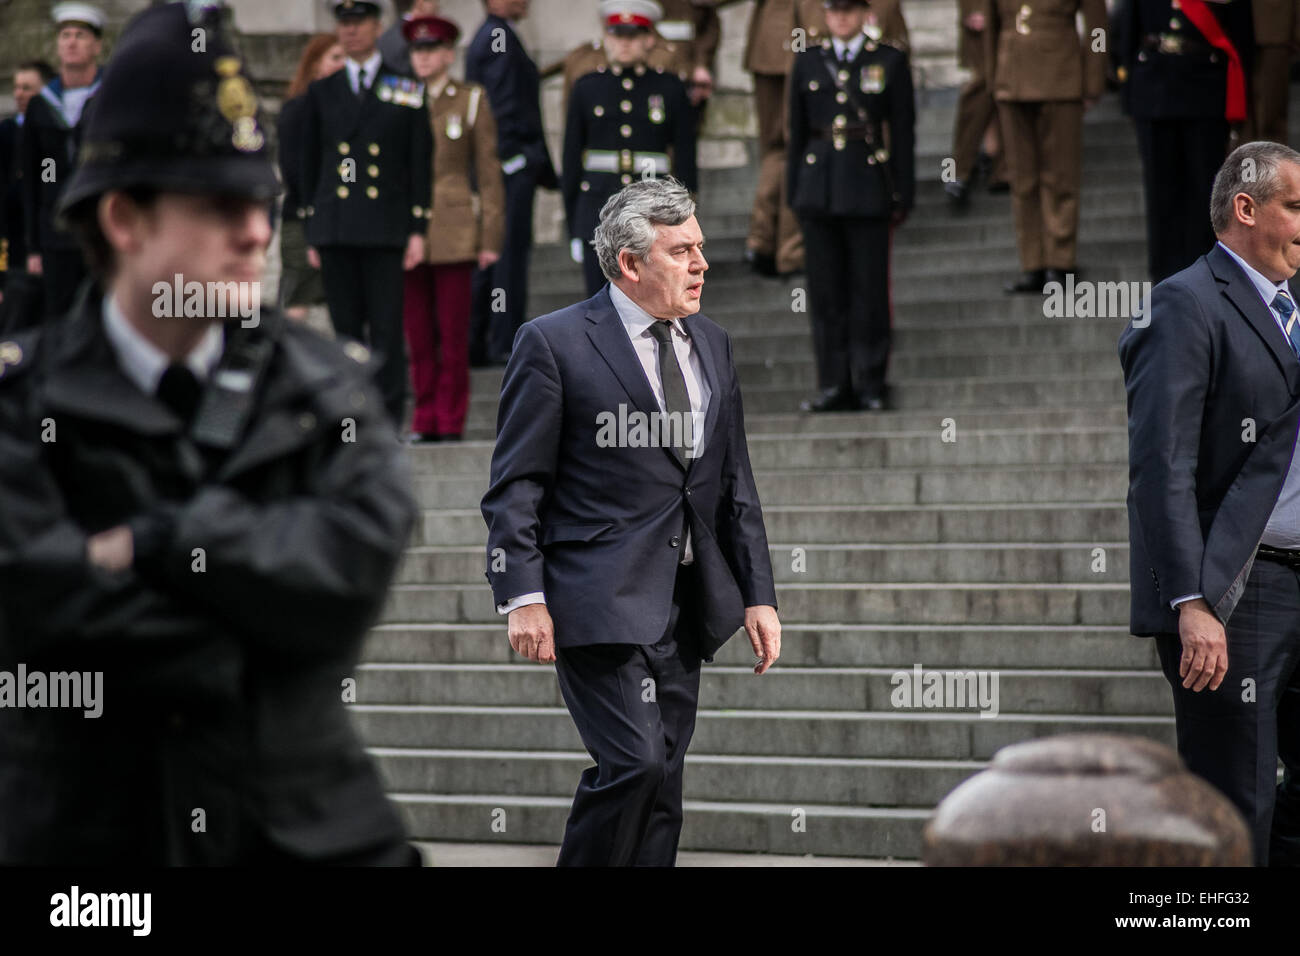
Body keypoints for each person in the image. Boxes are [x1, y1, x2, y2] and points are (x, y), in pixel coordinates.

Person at [0, 0, 420, 866]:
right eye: (222, 203)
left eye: (264, 200)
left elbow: (352, 569)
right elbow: (36, 609)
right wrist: (262, 617)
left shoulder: (321, 383)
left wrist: (156, 539)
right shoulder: (19, 400)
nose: (258, 231)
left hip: (309, 834)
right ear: (125, 219)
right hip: (85, 845)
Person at [481, 177, 780, 867]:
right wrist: (522, 596)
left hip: (685, 602)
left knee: (664, 783)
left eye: (700, 248)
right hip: (595, 600)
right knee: (636, 764)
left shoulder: (714, 344)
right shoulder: (552, 343)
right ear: (630, 264)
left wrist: (758, 593)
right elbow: (516, 487)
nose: (702, 264)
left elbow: (734, 484)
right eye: (682, 251)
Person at [1119, 141, 1300, 868]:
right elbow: (1161, 467)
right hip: (1236, 593)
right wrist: (1192, 602)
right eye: (1296, 206)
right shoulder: (1184, 303)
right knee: (1236, 799)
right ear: (1246, 208)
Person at [301, 0, 433, 428]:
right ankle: (348, 416)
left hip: (385, 227)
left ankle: (388, 419)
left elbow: (418, 162)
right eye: (344, 22)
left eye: (359, 22)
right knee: (345, 333)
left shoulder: (406, 88)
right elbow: (310, 165)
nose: (350, 30)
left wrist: (418, 227)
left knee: (387, 330)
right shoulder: (323, 91)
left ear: (378, 27)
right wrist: (311, 230)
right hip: (336, 227)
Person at [787, 0, 914, 413]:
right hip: (818, 188)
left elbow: (904, 131)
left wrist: (902, 192)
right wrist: (795, 191)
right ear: (826, 14)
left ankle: (870, 382)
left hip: (867, 186)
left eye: (849, 9)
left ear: (863, 13)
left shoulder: (889, 60)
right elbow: (797, 132)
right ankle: (832, 383)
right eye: (835, 10)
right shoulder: (808, 62)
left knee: (869, 292)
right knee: (825, 295)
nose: (841, 18)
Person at [403, 13, 504, 443]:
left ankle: (450, 419)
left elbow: (489, 171)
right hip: (407, 230)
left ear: (448, 55)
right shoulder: (399, 98)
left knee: (453, 333)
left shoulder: (470, 99)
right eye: (417, 50)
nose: (423, 58)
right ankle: (424, 417)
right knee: (419, 335)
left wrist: (491, 235)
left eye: (431, 50)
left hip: (455, 227)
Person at [563, 0, 698, 297]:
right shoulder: (587, 87)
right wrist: (573, 225)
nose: (624, 43)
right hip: (597, 206)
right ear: (606, 38)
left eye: (633, 35)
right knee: (599, 302)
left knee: (654, 295)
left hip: (653, 208)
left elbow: (686, 157)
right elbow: (572, 159)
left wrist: (685, 218)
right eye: (617, 35)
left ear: (649, 39)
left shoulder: (670, 88)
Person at [1116, 0, 1254, 284]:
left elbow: (1242, 35)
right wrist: (1128, 88)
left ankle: (1204, 277)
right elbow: (1124, 30)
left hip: (1205, 87)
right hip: (1153, 86)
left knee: (1204, 190)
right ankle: (1164, 279)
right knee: (1159, 193)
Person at [987, 0, 1107, 293]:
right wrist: (993, 80)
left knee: (1061, 176)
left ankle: (1061, 261)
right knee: (1021, 179)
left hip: (1061, 78)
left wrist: (1093, 80)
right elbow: (991, 27)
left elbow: (1097, 29)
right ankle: (1033, 264)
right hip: (1011, 79)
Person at [466, 0, 557, 367]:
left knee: (498, 255)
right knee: (506, 257)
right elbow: (504, 108)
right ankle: (501, 339)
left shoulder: (497, 36)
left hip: (504, 165)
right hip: (508, 167)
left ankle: (485, 339)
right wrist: (521, 158)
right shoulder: (499, 37)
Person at [17, 2, 105, 318]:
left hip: (103, 230)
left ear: (97, 45)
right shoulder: (42, 105)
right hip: (56, 235)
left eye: (80, 35)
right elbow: (32, 180)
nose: (71, 42)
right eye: (65, 35)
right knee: (59, 319)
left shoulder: (109, 97)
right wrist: (33, 247)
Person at [276, 34, 346, 321]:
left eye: (346, 58)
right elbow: (293, 170)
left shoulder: (348, 109)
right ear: (315, 65)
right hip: (304, 221)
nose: (343, 65)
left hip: (341, 221)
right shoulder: (298, 108)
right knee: (296, 304)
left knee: (345, 306)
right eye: (335, 58)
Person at [0, 60, 54, 330]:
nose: (19, 93)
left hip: (49, 248)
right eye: (16, 87)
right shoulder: (6, 133)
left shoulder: (54, 133)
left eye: (27, 88)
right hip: (13, 251)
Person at [946, 0, 1008, 207]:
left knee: (996, 90)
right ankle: (960, 170)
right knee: (982, 89)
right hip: (986, 28)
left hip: (1011, 25)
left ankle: (999, 164)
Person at [1246, 0, 1297, 145]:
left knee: (1271, 108)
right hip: (1233, 25)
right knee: (1240, 109)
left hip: (1276, 32)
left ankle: (1272, 161)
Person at [378, 0, 441, 77]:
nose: (438, 7)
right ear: (420, 3)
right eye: (434, 2)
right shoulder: (397, 36)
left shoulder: (394, 33)